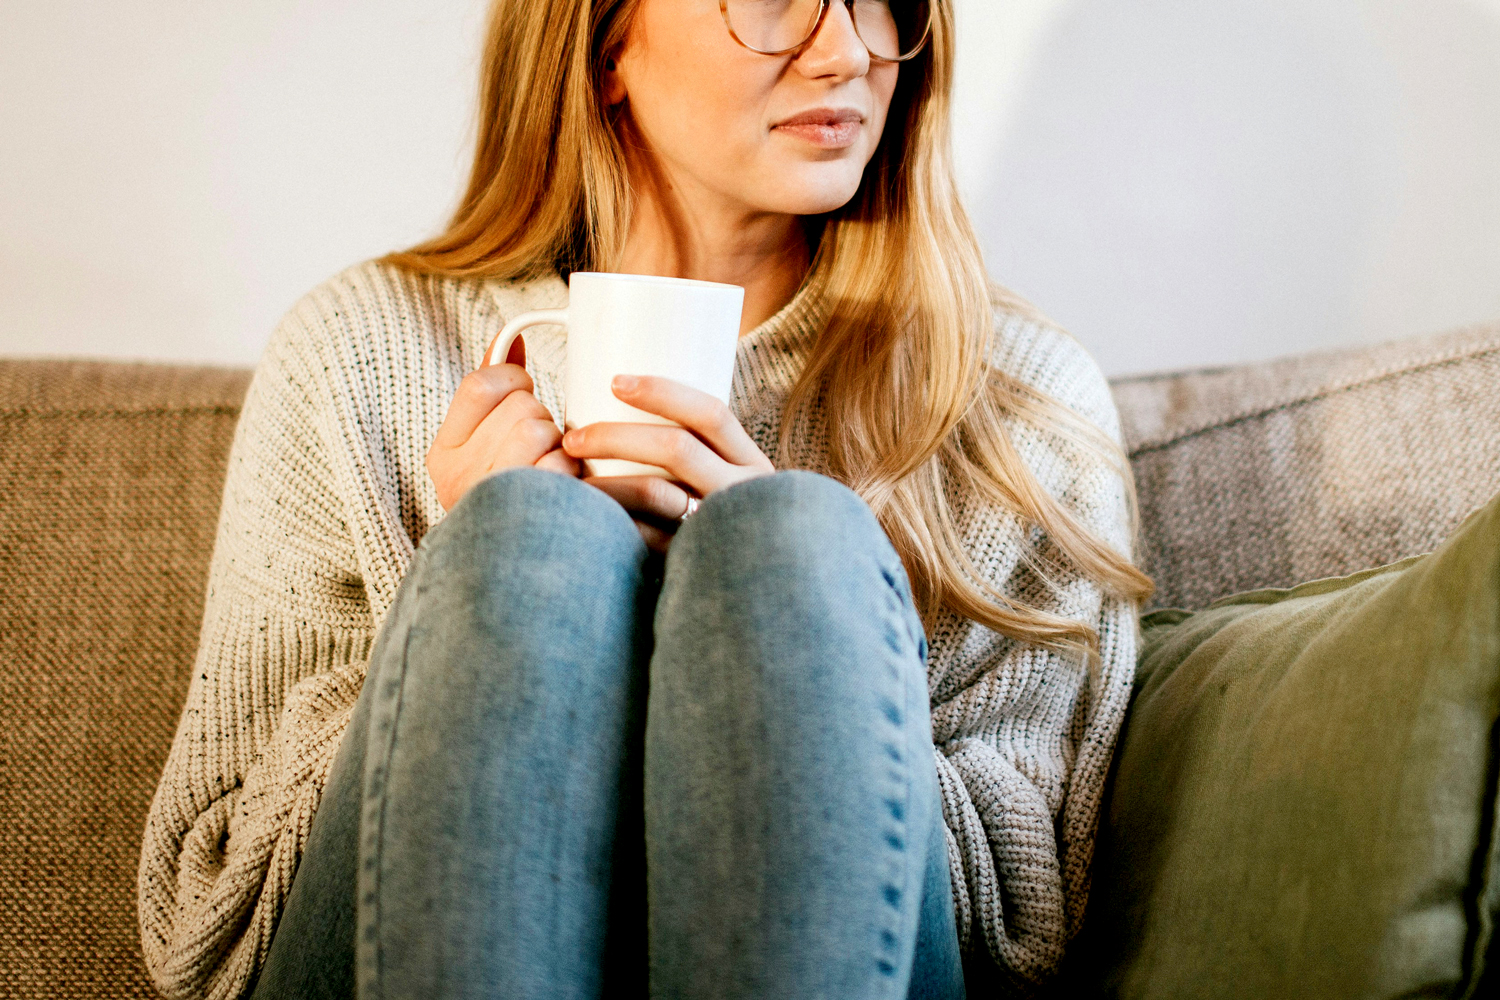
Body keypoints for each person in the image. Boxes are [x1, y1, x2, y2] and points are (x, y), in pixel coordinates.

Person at [137, 1, 1153, 997]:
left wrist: (793, 633)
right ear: (605, 40)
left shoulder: (1013, 401)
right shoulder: (358, 353)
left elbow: (1029, 929)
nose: (847, 50)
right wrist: (475, 600)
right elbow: (211, 933)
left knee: (790, 543)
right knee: (526, 540)